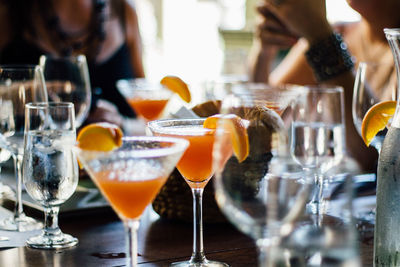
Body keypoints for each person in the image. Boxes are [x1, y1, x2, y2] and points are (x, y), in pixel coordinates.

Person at [248, 0, 400, 172]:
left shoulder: (327, 36)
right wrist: (264, 51)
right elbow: (266, 123)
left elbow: (378, 160)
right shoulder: (340, 33)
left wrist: (321, 38)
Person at [0, 0, 145, 127]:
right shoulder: (9, 14)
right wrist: (29, 94)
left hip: (113, 155)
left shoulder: (123, 10)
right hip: (27, 157)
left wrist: (122, 124)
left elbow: (147, 120)